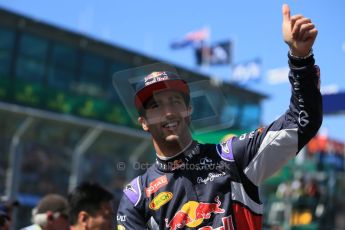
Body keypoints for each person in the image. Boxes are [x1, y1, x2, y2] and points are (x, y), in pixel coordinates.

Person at [116, 4, 322, 230]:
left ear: (189, 109)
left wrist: (300, 58)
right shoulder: (136, 198)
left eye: (175, 101)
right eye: (156, 106)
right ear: (144, 122)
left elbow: (301, 122)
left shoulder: (233, 158)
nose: (168, 112)